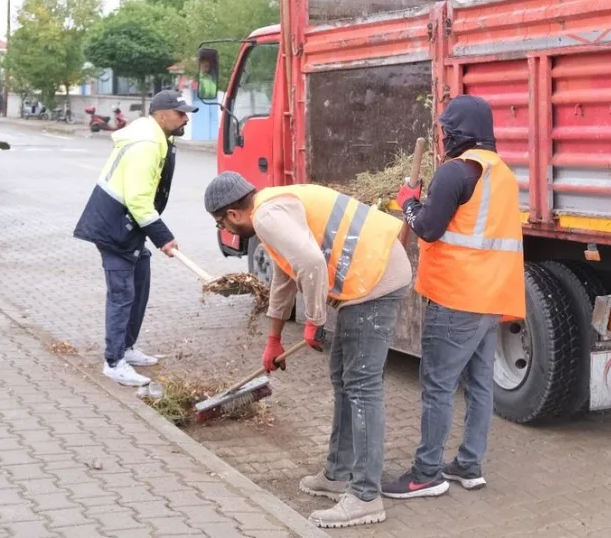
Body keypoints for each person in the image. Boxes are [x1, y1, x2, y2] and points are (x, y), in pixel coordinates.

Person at [204, 171, 412, 529]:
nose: (227, 229)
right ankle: (338, 473)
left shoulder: (267, 216)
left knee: (362, 386)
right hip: (365, 280)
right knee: (343, 378)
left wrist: (315, 320)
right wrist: (274, 338)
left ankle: (365, 496)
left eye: (222, 222)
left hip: (376, 279)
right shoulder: (271, 209)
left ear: (233, 214)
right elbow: (286, 277)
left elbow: (312, 264)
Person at [383, 95, 526, 499]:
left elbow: (428, 228)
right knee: (480, 384)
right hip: (491, 297)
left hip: (456, 295)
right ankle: (469, 463)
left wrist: (408, 202)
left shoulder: (454, 173)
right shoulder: (502, 174)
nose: (442, 136)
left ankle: (426, 473)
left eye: (446, 130)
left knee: (438, 385)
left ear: (459, 132)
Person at [73, 91, 196, 387]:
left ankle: (127, 347)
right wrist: (163, 237)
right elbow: (139, 198)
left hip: (129, 224)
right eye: (180, 113)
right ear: (162, 114)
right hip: (114, 225)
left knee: (140, 277)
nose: (185, 118)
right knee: (122, 294)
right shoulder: (146, 144)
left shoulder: (160, 138)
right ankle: (114, 362)